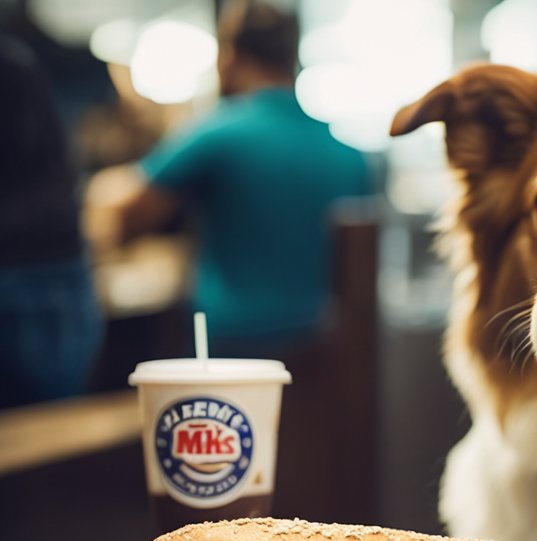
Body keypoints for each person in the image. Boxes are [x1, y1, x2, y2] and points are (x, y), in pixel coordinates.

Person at [99, 0, 372, 356]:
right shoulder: (349, 155)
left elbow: (125, 215)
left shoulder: (216, 133)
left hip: (229, 345)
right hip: (321, 347)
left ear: (228, 56)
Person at [0, 34, 104, 409]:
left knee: (46, 426)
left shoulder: (14, 63)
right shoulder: (19, 61)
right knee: (49, 421)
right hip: (49, 267)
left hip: (39, 270)